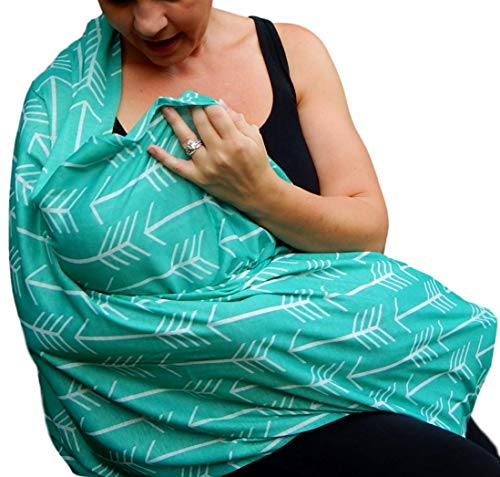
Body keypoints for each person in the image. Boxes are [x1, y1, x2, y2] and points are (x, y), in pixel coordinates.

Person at [9, 1, 498, 476]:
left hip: (348, 363)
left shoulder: (291, 52)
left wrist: (258, 191)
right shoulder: (63, 102)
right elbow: (52, 304)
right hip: (199, 416)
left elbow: (367, 231)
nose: (149, 22)